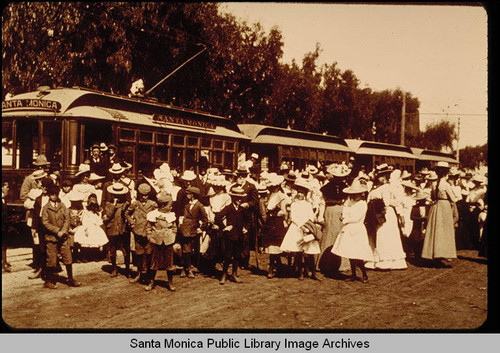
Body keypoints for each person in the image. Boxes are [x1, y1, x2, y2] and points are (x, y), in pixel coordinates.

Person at [365, 164, 408, 270]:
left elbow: (397, 199)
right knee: (375, 235)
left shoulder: (388, 187)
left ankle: (387, 261)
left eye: (383, 176)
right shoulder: (374, 188)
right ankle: (374, 260)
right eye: (379, 176)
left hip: (386, 213)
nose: (381, 178)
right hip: (376, 213)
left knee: (384, 235)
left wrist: (389, 204)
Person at [331, 179, 373, 283]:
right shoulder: (348, 203)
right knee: (350, 252)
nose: (354, 196)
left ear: (361, 194)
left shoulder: (362, 204)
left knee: (358, 254)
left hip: (357, 229)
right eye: (352, 194)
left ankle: (364, 274)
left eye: (356, 194)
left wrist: (345, 219)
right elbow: (344, 213)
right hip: (348, 228)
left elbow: (356, 218)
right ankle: (353, 274)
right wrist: (344, 217)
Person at [41, 183, 81, 289]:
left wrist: (63, 231)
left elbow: (67, 219)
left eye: (56, 194)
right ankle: (49, 280)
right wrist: (57, 231)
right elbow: (45, 222)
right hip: (51, 238)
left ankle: (70, 278)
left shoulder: (62, 206)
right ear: (49, 195)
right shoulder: (46, 208)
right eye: (52, 194)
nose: (54, 196)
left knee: (68, 257)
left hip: (63, 237)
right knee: (52, 260)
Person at [421, 162, 459, 267]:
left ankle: (434, 253)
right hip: (444, 207)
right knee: (444, 231)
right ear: (446, 172)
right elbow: (453, 198)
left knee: (435, 230)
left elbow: (433, 197)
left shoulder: (435, 183)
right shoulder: (446, 184)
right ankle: (442, 254)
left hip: (436, 207)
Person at [280, 178, 315, 280]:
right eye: (299, 192)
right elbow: (294, 217)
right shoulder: (294, 205)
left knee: (310, 251)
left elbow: (311, 216)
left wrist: (308, 226)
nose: (300, 194)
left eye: (302, 192)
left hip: (307, 228)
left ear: (305, 194)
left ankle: (311, 271)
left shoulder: (308, 205)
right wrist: (301, 226)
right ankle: (300, 271)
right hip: (297, 228)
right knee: (299, 251)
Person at [215, 185, 250, 284]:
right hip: (230, 236)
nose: (240, 200)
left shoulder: (242, 209)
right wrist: (224, 227)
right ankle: (224, 274)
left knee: (237, 256)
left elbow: (249, 220)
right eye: (238, 198)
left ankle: (234, 274)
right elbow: (217, 217)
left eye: (241, 198)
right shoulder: (228, 208)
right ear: (233, 198)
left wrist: (245, 228)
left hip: (239, 236)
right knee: (227, 256)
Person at [126, 183, 158, 284]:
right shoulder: (135, 204)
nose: (144, 197)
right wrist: (131, 221)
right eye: (142, 195)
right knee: (138, 254)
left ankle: (148, 275)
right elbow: (126, 213)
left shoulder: (153, 204)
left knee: (148, 254)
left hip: (148, 232)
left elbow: (158, 215)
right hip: (138, 231)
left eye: (146, 195)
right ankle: (139, 274)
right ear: (139, 194)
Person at [145, 192, 177, 291]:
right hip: (156, 241)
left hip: (168, 241)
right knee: (154, 263)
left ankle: (170, 282)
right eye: (170, 206)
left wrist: (173, 236)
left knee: (169, 263)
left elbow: (174, 228)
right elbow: (148, 228)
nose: (171, 208)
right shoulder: (153, 215)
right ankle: (151, 282)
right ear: (163, 206)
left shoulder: (171, 215)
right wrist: (150, 237)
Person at [261, 174, 288, 279]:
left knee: (275, 245)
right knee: (271, 246)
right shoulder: (270, 195)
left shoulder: (282, 196)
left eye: (272, 186)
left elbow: (284, 211)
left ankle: (273, 268)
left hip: (278, 222)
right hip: (271, 222)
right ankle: (277, 266)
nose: (270, 188)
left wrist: (274, 213)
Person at [178, 186, 208, 278]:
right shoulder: (186, 205)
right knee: (185, 250)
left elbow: (205, 220)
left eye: (188, 194)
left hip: (193, 231)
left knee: (190, 251)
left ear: (193, 195)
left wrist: (201, 228)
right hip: (184, 230)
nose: (187, 195)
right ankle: (185, 268)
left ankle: (189, 268)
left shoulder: (199, 206)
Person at [103, 183, 131, 277]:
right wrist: (113, 206)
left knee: (126, 248)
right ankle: (114, 268)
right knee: (113, 248)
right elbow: (108, 216)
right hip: (113, 228)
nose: (117, 196)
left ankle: (127, 268)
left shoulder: (126, 204)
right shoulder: (108, 204)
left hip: (123, 228)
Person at [2, 182, 12, 272]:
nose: (8, 189)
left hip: (4, 225)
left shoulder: (4, 199)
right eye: (6, 187)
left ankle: (4, 261)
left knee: (4, 245)